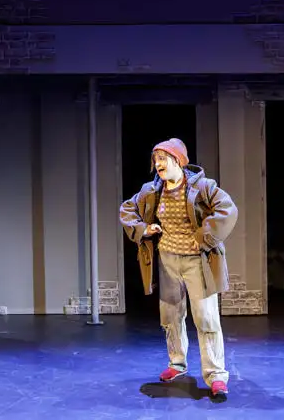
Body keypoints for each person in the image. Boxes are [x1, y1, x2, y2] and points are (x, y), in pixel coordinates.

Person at [119, 138, 238, 398]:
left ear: (178, 160)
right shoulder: (151, 190)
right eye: (156, 159)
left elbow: (227, 209)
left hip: (197, 262)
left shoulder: (203, 187)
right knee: (171, 316)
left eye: (163, 158)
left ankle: (216, 374)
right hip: (168, 261)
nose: (158, 164)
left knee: (206, 317)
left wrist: (204, 237)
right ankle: (177, 362)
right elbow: (127, 210)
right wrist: (144, 228)